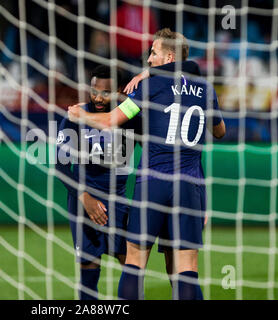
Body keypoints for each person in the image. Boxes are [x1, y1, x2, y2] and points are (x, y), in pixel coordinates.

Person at [67, 28, 226, 300]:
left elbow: (108, 122)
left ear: (168, 56)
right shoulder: (205, 89)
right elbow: (220, 131)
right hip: (190, 185)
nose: (148, 59)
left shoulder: (148, 87)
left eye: (153, 53)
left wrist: (78, 114)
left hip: (153, 183)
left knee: (135, 262)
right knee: (186, 267)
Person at [55, 65, 140, 300]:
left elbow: (154, 153)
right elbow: (60, 167)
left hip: (118, 202)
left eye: (106, 92)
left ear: (120, 91)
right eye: (94, 91)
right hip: (83, 204)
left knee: (132, 267)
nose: (98, 97)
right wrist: (85, 198)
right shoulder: (75, 116)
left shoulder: (130, 118)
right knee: (89, 271)